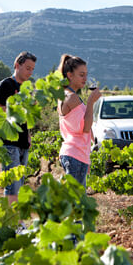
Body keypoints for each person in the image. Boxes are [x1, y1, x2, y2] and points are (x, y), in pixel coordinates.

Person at [0, 51, 37, 207]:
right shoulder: (6, 85)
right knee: (12, 186)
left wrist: (29, 137)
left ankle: (15, 221)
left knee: (19, 185)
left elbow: (26, 118)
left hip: (23, 143)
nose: (30, 72)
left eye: (32, 69)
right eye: (27, 68)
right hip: (9, 144)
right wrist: (17, 107)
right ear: (17, 65)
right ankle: (12, 222)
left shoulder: (25, 88)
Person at [57, 54, 101, 188]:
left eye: (86, 74)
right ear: (70, 75)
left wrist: (92, 147)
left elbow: (84, 129)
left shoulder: (68, 95)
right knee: (75, 201)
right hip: (74, 155)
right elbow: (85, 128)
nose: (85, 79)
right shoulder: (71, 98)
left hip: (78, 155)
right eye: (81, 75)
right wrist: (91, 102)